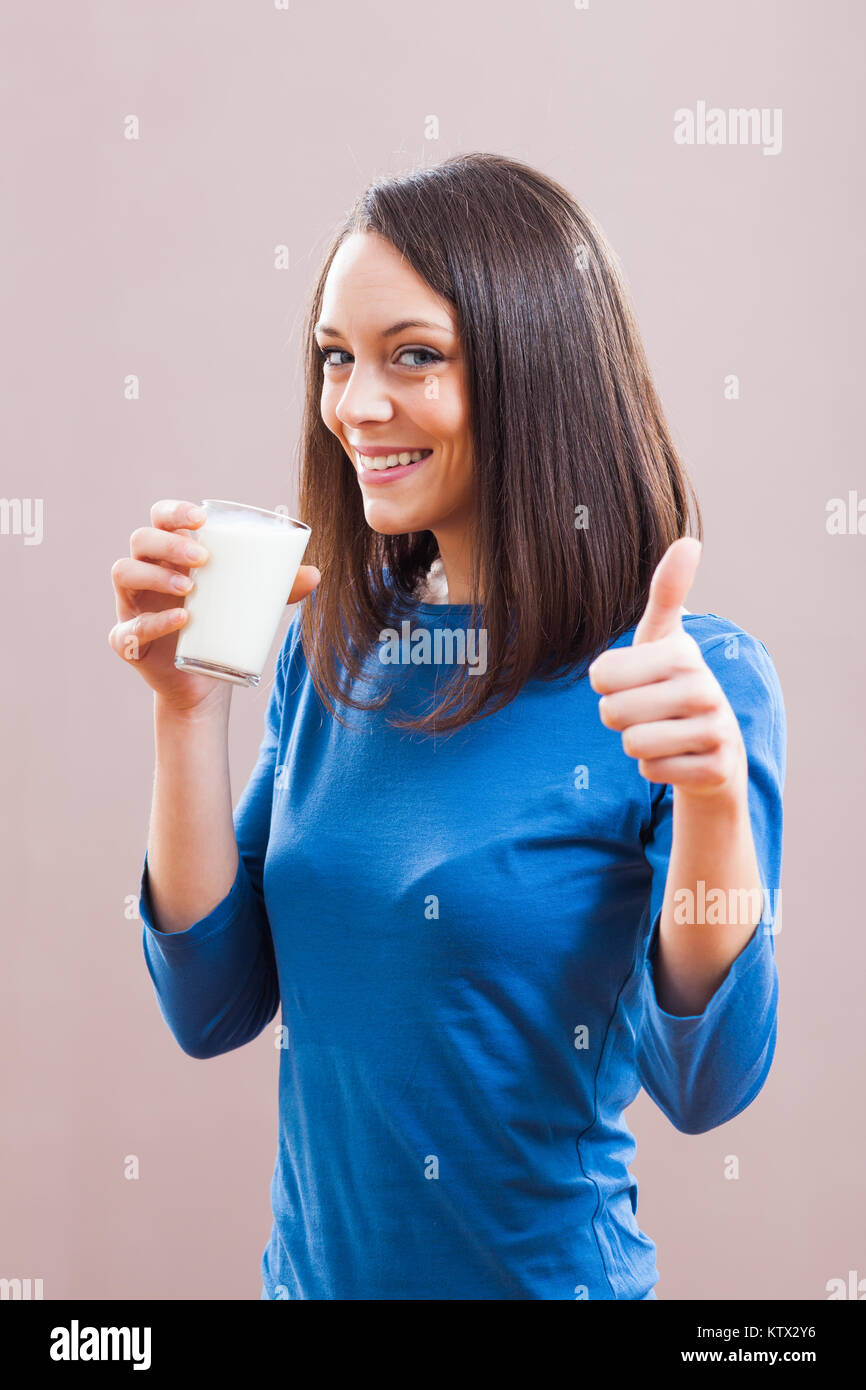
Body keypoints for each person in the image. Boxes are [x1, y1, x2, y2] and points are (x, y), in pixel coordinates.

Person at [108, 152, 785, 1300]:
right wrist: (187, 713)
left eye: (412, 355)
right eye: (336, 356)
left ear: (535, 369)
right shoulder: (333, 653)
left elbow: (704, 1084)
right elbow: (210, 1004)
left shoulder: (687, 681)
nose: (354, 406)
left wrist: (712, 798)